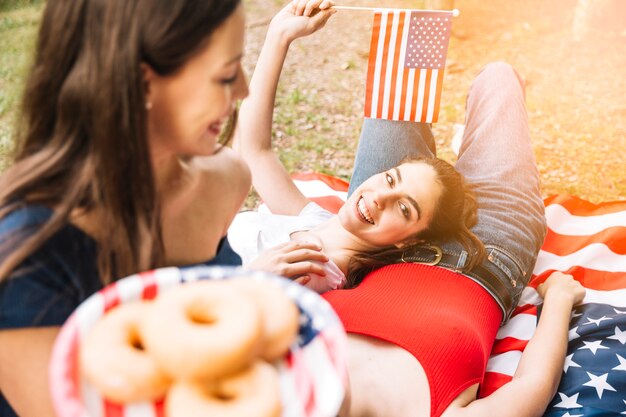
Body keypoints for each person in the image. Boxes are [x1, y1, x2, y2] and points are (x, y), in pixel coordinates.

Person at [233, 1, 574, 416]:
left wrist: (279, 35)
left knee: (407, 55)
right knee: (498, 80)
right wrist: (559, 297)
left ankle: (433, 28)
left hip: (394, 238)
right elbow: (533, 385)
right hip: (488, 258)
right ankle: (467, 141)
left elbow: (253, 153)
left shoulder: (282, 369)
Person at [0, 1, 251, 416]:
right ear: (141, 83)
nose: (243, 88)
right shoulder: (25, 252)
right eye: (226, 74)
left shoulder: (227, 181)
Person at [231, 1, 485, 294]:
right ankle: (430, 24)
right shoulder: (318, 223)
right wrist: (279, 36)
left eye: (404, 208)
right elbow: (254, 151)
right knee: (396, 104)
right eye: (390, 178)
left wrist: (248, 279)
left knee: (495, 78)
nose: (381, 197)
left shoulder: (311, 272)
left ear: (411, 241)